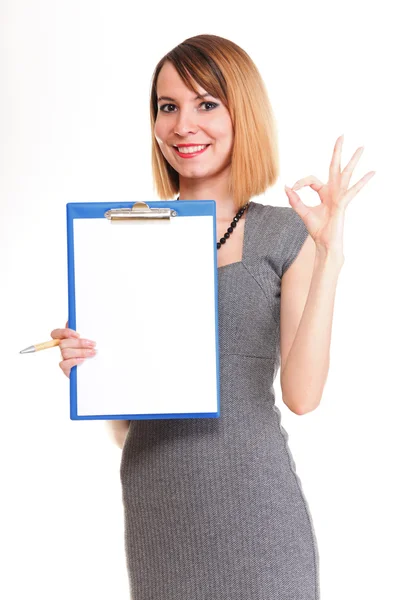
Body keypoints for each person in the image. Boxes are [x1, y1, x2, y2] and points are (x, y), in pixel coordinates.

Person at [51, 33, 375, 600]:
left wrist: (330, 256)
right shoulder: (122, 238)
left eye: (206, 104)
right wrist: (94, 368)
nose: (183, 125)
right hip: (158, 510)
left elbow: (303, 397)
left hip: (256, 513)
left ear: (240, 113)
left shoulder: (285, 234)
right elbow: (126, 426)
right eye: (167, 106)